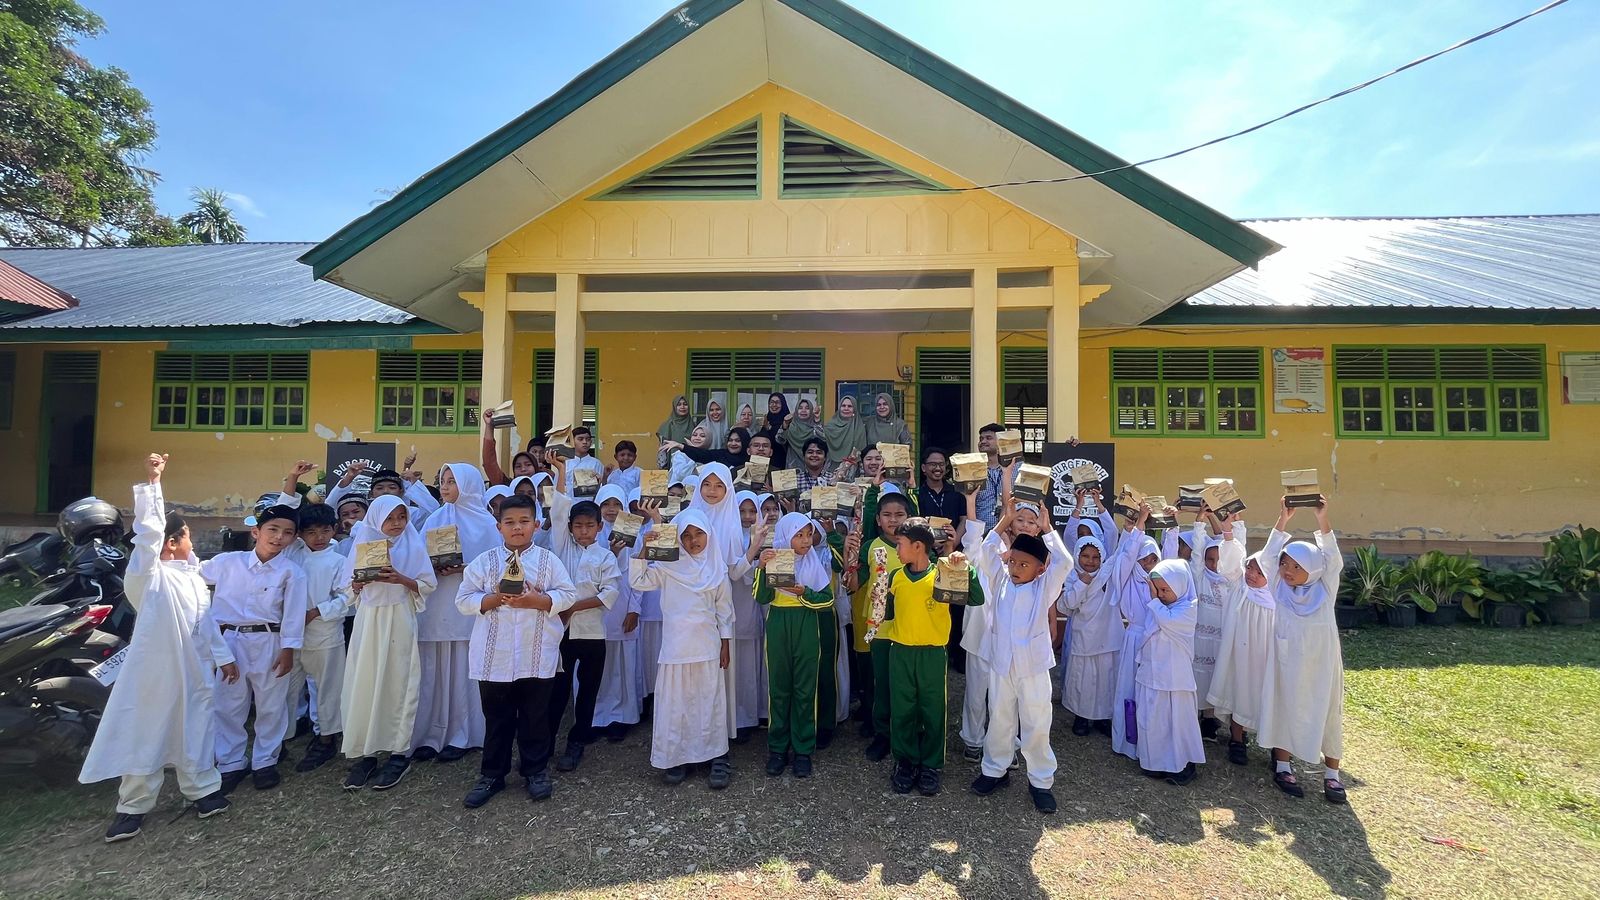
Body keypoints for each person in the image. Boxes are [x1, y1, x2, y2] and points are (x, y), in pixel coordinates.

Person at [83, 453, 235, 843]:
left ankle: (203, 790)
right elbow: (147, 537)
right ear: (172, 542)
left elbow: (207, 625)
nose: (191, 542)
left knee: (197, 730)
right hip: (154, 675)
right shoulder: (148, 580)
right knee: (146, 734)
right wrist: (153, 485)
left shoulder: (193, 579)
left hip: (195, 672)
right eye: (186, 535)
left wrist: (224, 658)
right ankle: (132, 807)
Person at [455, 495, 578, 808]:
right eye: (510, 522)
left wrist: (537, 601)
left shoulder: (549, 561)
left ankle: (535, 770)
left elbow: (567, 595)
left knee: (535, 716)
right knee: (497, 718)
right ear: (499, 527)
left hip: (536, 654)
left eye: (524, 521)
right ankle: (492, 775)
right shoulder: (484, 562)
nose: (517, 528)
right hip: (493, 656)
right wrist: (494, 598)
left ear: (536, 525)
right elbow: (464, 600)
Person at [203, 497, 307, 794]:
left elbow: (294, 614)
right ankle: (231, 763)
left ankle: (265, 761)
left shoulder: (291, 572)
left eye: (287, 533)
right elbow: (190, 574)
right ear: (256, 532)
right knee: (228, 704)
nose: (279, 537)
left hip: (269, 641)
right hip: (230, 643)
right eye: (273, 529)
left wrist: (288, 649)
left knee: (271, 705)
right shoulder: (227, 563)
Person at [629, 507, 736, 789]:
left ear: (709, 535)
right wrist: (645, 548)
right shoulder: (668, 566)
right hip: (676, 648)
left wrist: (725, 644)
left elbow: (724, 612)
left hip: (707, 647)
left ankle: (717, 757)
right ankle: (677, 758)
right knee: (677, 705)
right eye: (686, 535)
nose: (693, 540)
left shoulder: (717, 570)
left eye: (699, 533)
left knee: (708, 702)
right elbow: (638, 581)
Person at [968, 522, 1069, 815]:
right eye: (1012, 561)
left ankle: (1040, 782)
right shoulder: (1000, 580)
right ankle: (995, 770)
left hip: (1033, 668)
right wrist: (1005, 519)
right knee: (999, 717)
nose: (1015, 568)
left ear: (1040, 569)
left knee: (1036, 723)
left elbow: (1064, 562)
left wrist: (1048, 528)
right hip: (1002, 663)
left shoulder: (1044, 588)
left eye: (1024, 564)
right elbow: (988, 550)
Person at [338, 496, 436, 791]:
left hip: (400, 618)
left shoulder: (412, 543)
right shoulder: (363, 542)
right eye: (390, 518)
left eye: (401, 517)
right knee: (364, 682)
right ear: (375, 518)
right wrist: (356, 584)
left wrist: (400, 579)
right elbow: (346, 587)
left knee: (398, 683)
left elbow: (427, 583)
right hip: (369, 621)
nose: (396, 524)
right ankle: (365, 754)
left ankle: (398, 753)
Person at [1257, 495, 1347, 804]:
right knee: (1286, 708)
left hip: (1322, 666)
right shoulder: (1278, 588)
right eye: (1285, 564)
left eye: (1296, 566)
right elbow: (1267, 559)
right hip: (1287, 664)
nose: (1287, 570)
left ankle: (1332, 775)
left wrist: (1322, 519)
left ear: (1313, 569)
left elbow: (1333, 558)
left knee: (1328, 713)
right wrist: (1283, 519)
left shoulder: (1325, 588)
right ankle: (1283, 766)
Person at [884, 522, 984, 796]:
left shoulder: (943, 573)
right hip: (901, 652)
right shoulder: (896, 577)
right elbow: (887, 614)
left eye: (900, 543)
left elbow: (976, 599)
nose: (897, 548)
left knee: (932, 709)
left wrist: (965, 568)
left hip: (932, 654)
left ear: (918, 546)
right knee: (903, 709)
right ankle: (904, 762)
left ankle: (930, 765)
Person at [410, 463, 493, 765]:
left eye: (451, 482)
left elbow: (495, 568)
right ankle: (431, 734)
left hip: (467, 608)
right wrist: (430, 568)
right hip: (436, 606)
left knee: (463, 672)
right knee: (434, 670)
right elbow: (417, 560)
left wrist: (465, 568)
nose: (444, 487)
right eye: (442, 481)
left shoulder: (486, 524)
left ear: (468, 485)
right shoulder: (434, 518)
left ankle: (464, 734)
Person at [543, 456, 621, 772]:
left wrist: (574, 606)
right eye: (579, 526)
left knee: (587, 692)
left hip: (591, 634)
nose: (584, 531)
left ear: (600, 527)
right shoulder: (561, 547)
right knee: (557, 692)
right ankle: (544, 744)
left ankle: (577, 744)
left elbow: (608, 596)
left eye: (590, 526)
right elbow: (558, 510)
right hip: (561, 635)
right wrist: (561, 472)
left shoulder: (605, 557)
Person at [754, 512, 835, 778]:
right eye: (798, 535)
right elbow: (761, 596)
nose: (805, 541)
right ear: (786, 536)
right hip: (778, 623)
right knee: (779, 688)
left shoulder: (813, 564)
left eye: (808, 534)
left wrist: (805, 593)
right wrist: (763, 568)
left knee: (804, 688)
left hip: (806, 624)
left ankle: (802, 750)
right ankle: (778, 749)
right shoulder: (774, 558)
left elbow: (827, 600)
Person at [690, 467, 763, 739]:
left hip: (719, 605)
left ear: (727, 490)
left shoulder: (732, 525)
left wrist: (754, 547)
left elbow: (734, 572)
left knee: (720, 668)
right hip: (690, 607)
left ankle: (719, 732)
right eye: (706, 484)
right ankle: (696, 731)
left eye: (718, 485)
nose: (711, 490)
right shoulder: (688, 519)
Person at [847, 484, 913, 758]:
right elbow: (853, 584)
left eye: (900, 514)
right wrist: (850, 556)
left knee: (905, 683)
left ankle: (906, 733)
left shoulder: (918, 546)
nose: (893, 520)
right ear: (878, 519)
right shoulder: (870, 547)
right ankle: (882, 734)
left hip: (909, 626)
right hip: (879, 628)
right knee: (880, 681)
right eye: (887, 515)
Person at [286, 499, 351, 772]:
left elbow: (348, 596)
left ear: (334, 530)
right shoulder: (293, 555)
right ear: (300, 534)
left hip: (325, 634)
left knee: (328, 689)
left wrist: (316, 612)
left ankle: (326, 739)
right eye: (311, 532)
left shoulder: (339, 561)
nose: (319, 538)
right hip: (290, 635)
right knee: (287, 689)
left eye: (324, 531)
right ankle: (281, 739)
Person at [1136, 560, 1207, 785]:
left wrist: (1154, 600)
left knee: (1177, 722)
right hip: (1153, 674)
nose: (1161, 594)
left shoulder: (1188, 607)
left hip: (1175, 679)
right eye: (1158, 589)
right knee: (1155, 720)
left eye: (1165, 590)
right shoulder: (1158, 606)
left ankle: (1183, 764)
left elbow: (1168, 622)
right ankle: (1156, 762)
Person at [1110, 506, 1162, 756]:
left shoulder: (1161, 582)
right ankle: (1128, 741)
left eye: (1154, 559)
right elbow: (1127, 555)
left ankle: (1150, 742)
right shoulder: (1126, 576)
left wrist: (1171, 527)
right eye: (1145, 559)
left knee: (1152, 694)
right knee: (1130, 690)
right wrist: (1140, 523)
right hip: (1134, 639)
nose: (1149, 564)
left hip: (1155, 641)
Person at [1057, 532, 1119, 737]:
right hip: (1083, 637)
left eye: (1095, 557)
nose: (1090, 562)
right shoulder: (1072, 576)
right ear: (1077, 556)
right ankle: (1081, 717)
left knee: (1104, 679)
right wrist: (1082, 583)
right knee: (1083, 680)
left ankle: (1103, 717)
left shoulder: (1107, 575)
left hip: (1107, 638)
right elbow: (1068, 604)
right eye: (1085, 556)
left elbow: (1123, 551)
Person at [1190, 509, 1244, 741]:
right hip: (1200, 642)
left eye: (1219, 559)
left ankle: (1213, 718)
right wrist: (1199, 524)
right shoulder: (1199, 577)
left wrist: (1237, 524)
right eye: (1209, 559)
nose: (1214, 564)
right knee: (1200, 677)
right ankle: (1199, 716)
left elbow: (1238, 551)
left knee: (1219, 677)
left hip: (1224, 640)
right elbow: (1196, 552)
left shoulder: (1233, 581)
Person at [595, 487, 644, 742]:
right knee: (598, 665)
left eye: (617, 503)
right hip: (598, 608)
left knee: (622, 664)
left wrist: (635, 609)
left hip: (624, 604)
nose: (612, 508)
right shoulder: (591, 533)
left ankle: (621, 716)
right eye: (606, 504)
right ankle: (596, 716)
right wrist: (611, 553)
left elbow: (639, 572)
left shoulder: (633, 531)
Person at [661, 426, 751, 471]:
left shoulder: (751, 461)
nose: (733, 443)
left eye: (738, 441)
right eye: (730, 440)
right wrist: (681, 446)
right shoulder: (721, 454)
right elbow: (703, 455)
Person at [821, 395, 867, 469]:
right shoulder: (830, 426)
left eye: (849, 406)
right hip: (831, 467)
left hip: (853, 468)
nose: (846, 408)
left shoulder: (859, 427)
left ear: (854, 409)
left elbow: (861, 450)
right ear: (839, 408)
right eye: (843, 406)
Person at [777, 398, 821, 469]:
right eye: (800, 408)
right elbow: (779, 440)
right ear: (796, 411)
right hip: (793, 469)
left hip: (813, 468)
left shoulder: (815, 427)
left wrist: (817, 420)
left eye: (807, 408)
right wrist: (784, 425)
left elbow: (823, 441)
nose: (803, 410)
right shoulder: (790, 426)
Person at [563, 427, 606, 495]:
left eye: (588, 439)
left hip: (590, 504)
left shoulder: (596, 463)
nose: (585, 442)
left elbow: (602, 488)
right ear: (572, 441)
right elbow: (557, 487)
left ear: (591, 442)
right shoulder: (565, 463)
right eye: (580, 439)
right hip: (568, 503)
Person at [762, 393, 792, 469]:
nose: (774, 405)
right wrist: (765, 428)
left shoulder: (789, 422)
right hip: (765, 464)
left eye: (777, 402)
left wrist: (784, 426)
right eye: (771, 402)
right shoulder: (766, 421)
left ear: (783, 404)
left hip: (784, 464)